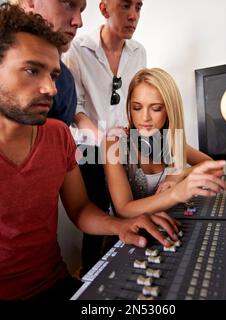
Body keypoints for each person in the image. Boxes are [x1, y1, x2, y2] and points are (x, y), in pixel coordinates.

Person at [0, 4, 178, 300]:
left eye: (54, 74)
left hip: (55, 288)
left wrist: (120, 225)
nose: (50, 88)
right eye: (32, 70)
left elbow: (80, 209)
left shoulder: (57, 135)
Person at [63, 0, 147, 276]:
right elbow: (74, 109)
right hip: (89, 147)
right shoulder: (78, 48)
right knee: (97, 213)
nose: (133, 15)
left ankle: (127, 269)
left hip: (124, 146)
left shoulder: (138, 52)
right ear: (103, 9)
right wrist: (103, 140)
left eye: (138, 7)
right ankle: (90, 275)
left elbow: (136, 99)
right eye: (125, 6)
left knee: (128, 211)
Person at [103, 68, 226, 218]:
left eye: (156, 108)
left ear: (169, 110)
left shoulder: (171, 141)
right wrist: (176, 193)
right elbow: (124, 210)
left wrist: (178, 174)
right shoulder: (113, 144)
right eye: (136, 108)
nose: (145, 118)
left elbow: (214, 167)